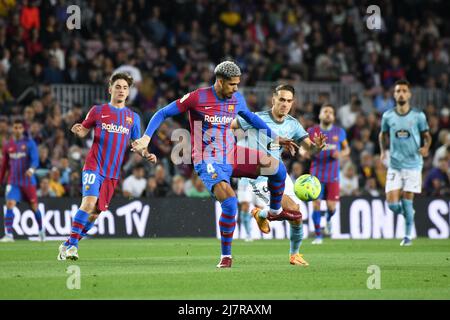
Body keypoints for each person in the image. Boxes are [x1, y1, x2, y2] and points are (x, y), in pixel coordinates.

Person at [131, 61, 300, 268]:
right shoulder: (197, 97)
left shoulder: (236, 98)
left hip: (232, 153)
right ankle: (226, 257)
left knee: (277, 168)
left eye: (238, 84)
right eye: (232, 84)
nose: (236, 88)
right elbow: (162, 113)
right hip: (208, 160)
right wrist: (146, 138)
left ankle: (273, 213)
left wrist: (275, 137)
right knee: (230, 203)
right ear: (220, 81)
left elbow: (251, 118)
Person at [57, 72, 151, 261]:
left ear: (129, 92)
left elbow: (137, 145)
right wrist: (78, 130)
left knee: (95, 213)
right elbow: (84, 130)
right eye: (118, 87)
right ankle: (72, 248)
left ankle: (67, 243)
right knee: (89, 202)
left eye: (125, 88)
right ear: (110, 89)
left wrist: (147, 154)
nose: (121, 90)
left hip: (112, 173)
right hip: (94, 165)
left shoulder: (132, 118)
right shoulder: (98, 111)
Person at [231, 84, 326, 265]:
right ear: (273, 99)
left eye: (289, 101)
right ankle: (262, 215)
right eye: (281, 99)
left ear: (293, 103)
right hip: (258, 176)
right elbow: (230, 126)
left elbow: (307, 149)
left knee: (296, 214)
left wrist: (317, 148)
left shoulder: (293, 124)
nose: (285, 104)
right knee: (291, 210)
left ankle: (294, 254)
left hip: (279, 173)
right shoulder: (257, 118)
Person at [379, 79, 432, 246]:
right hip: (395, 164)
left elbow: (427, 136)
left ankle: (407, 236)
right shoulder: (388, 116)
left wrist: (426, 147)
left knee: (407, 200)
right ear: (394, 95)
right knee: (392, 205)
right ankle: (408, 213)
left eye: (404, 90)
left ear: (409, 94)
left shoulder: (418, 116)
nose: (401, 93)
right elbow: (382, 135)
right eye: (398, 91)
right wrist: (382, 151)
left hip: (413, 164)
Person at [308, 104, 350, 244]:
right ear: (319, 115)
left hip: (333, 176)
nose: (328, 114)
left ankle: (329, 219)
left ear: (333, 116)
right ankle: (318, 235)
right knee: (316, 205)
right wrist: (314, 150)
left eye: (331, 112)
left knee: (332, 207)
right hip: (316, 175)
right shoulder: (312, 131)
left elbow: (347, 150)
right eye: (325, 111)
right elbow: (306, 151)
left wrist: (341, 154)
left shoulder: (339, 132)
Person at [0, 119, 44, 242]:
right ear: (12, 129)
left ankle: (41, 230)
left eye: (19, 127)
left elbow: (35, 160)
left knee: (34, 207)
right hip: (13, 181)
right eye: (15, 127)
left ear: (23, 129)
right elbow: (4, 165)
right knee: (10, 204)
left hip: (28, 181)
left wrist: (31, 169)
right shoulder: (8, 145)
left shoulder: (30, 143)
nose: (17, 129)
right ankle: (9, 235)